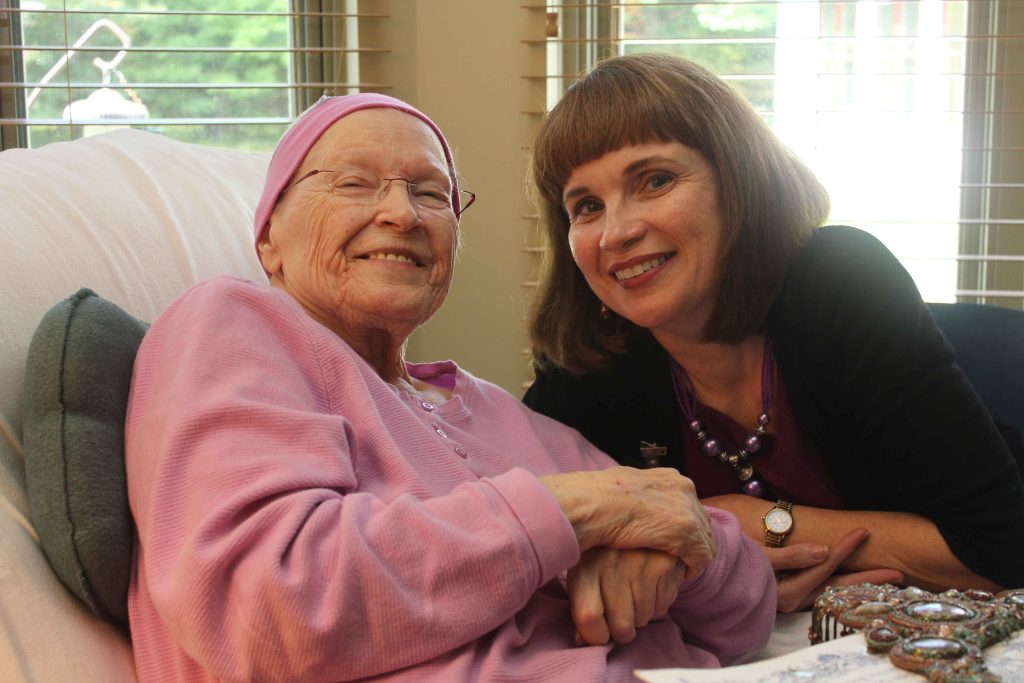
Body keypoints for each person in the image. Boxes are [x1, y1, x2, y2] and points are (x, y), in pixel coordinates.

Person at [124, 93, 775, 682]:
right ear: (269, 238)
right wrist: (580, 513)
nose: (402, 213)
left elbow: (744, 615)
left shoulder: (505, 412)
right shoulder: (232, 324)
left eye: (433, 194)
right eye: (354, 183)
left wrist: (690, 541)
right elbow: (268, 608)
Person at [522, 53, 1024, 613]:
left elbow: (1000, 553)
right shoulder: (588, 368)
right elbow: (519, 536)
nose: (617, 232)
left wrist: (737, 520)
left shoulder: (840, 280)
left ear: (739, 182)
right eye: (587, 206)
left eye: (656, 180)